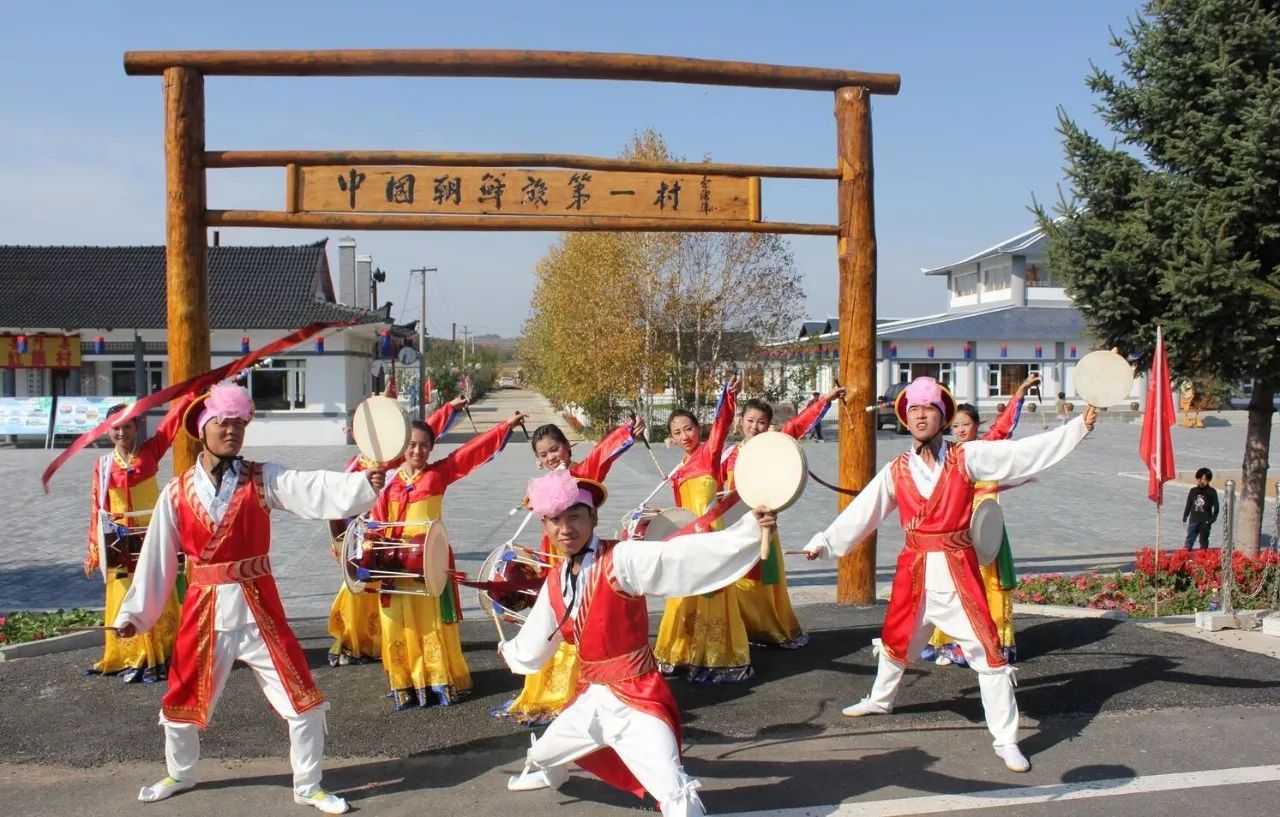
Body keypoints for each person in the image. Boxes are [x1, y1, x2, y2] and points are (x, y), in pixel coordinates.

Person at [114, 381, 385, 813]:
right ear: (203, 428)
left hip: (259, 607)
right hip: (203, 611)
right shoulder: (177, 493)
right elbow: (157, 557)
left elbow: (310, 487)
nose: (231, 430)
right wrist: (136, 613)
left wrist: (360, 486)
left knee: (302, 697)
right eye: (222, 422)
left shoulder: (263, 477)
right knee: (181, 697)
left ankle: (309, 784)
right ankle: (180, 773)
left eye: (239, 423)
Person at [804, 377, 1096, 773]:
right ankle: (880, 700)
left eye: (928, 410)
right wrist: (824, 541)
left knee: (989, 653)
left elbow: (1020, 454)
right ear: (906, 419)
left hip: (958, 571)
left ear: (942, 417)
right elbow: (864, 511)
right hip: (915, 571)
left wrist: (1077, 427)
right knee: (895, 640)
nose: (920, 416)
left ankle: (1006, 739)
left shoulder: (967, 457)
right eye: (913, 411)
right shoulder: (897, 470)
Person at [499, 469, 777, 817]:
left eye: (574, 516)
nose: (565, 528)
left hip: (636, 700)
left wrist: (749, 530)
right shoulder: (557, 579)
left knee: (676, 792)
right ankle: (548, 769)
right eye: (555, 519)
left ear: (593, 517)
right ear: (545, 524)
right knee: (542, 752)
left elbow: (679, 556)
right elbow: (539, 634)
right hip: (589, 698)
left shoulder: (623, 559)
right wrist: (513, 652)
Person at [493, 417, 645, 726]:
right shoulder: (539, 488)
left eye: (555, 449)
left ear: (567, 447)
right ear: (538, 460)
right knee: (551, 616)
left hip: (582, 556)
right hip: (553, 554)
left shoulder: (583, 475)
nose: (551, 457)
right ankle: (545, 689)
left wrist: (624, 433)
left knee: (579, 615)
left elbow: (602, 453)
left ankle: (577, 689)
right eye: (544, 454)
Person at [373, 408, 528, 709]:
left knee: (430, 621)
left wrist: (504, 427)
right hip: (396, 565)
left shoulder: (437, 474)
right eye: (412, 444)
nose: (418, 450)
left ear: (431, 449)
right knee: (397, 622)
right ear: (403, 447)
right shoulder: (388, 483)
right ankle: (404, 681)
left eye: (424, 445)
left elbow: (469, 453)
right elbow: (376, 523)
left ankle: (437, 677)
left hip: (430, 561)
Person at [324, 395, 463, 667]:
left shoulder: (392, 459)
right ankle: (355, 644)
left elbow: (421, 435)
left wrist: (448, 410)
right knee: (355, 596)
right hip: (366, 543)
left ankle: (397, 654)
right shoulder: (356, 464)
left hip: (391, 543)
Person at [925, 374, 1039, 666]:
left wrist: (1020, 392)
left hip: (986, 530)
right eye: (957, 425)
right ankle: (951, 643)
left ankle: (994, 642)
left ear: (977, 426)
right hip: (956, 531)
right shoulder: (945, 454)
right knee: (954, 586)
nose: (961, 430)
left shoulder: (986, 449)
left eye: (966, 424)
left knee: (991, 585)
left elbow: (1003, 427)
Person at [722, 386, 845, 648]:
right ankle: (741, 628)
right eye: (750, 421)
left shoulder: (773, 447)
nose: (754, 427)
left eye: (761, 422)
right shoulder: (730, 455)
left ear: (769, 425)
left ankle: (768, 630)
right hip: (735, 527)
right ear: (741, 421)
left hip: (764, 526)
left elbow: (797, 426)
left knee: (764, 582)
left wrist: (824, 400)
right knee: (736, 581)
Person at [85, 399, 191, 683]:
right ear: (107, 430)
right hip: (119, 540)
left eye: (127, 426)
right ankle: (128, 656)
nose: (121, 433)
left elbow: (172, 423)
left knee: (157, 589)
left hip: (151, 534)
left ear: (137, 427)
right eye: (115, 428)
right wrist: (95, 548)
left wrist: (189, 396)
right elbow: (98, 507)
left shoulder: (151, 452)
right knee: (123, 593)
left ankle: (162, 652)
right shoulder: (103, 466)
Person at [653, 376, 750, 684]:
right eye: (677, 432)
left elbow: (722, 423)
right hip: (688, 540)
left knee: (712, 592)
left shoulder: (709, 453)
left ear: (699, 429)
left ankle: (717, 657)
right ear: (670, 437)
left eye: (689, 428)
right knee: (685, 594)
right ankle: (682, 653)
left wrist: (728, 395)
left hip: (710, 538)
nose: (684, 435)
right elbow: (682, 509)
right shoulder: (679, 469)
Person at [1182, 468, 1219, 550]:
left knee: (1203, 541)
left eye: (1205, 479)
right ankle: (1184, 557)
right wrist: (1185, 517)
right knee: (1189, 540)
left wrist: (1211, 520)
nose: (1202, 481)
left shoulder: (1212, 492)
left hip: (1205, 521)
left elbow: (1216, 508)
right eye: (1200, 479)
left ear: (1208, 480)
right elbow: (1188, 505)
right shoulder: (1193, 491)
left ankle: (1203, 559)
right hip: (1194, 520)